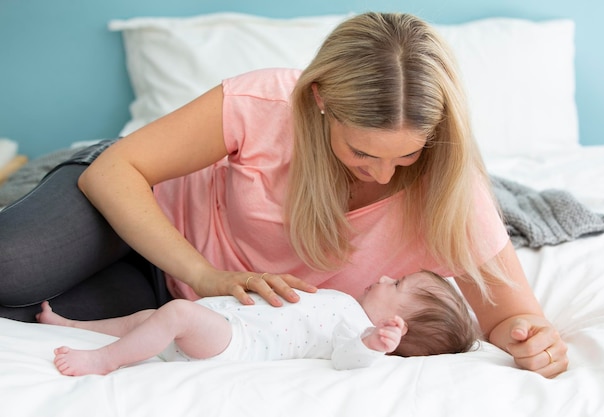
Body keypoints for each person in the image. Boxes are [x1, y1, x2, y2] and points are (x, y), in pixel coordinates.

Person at [0, 12, 568, 377]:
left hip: (177, 299)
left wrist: (531, 341)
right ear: (319, 99)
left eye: (408, 155)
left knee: (28, 315)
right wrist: (204, 275)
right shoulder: (267, 102)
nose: (384, 174)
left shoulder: (451, 190)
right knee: (10, 266)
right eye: (363, 152)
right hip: (132, 209)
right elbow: (115, 173)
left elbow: (512, 317)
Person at [37, 271, 479, 376]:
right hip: (229, 320)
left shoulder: (357, 330)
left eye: (396, 282)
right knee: (148, 318)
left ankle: (102, 361)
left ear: (394, 323)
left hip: (237, 343)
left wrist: (373, 342)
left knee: (173, 313)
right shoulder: (344, 300)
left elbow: (350, 358)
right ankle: (72, 326)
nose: (384, 276)